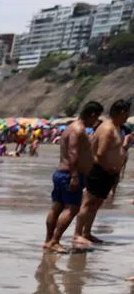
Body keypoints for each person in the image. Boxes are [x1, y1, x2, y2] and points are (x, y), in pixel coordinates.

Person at [44, 101, 103, 253]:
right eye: (96, 118)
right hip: (69, 175)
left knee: (57, 206)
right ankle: (54, 241)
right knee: (72, 209)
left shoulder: (71, 127)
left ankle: (48, 240)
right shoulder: (78, 129)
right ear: (92, 115)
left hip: (61, 173)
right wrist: (75, 176)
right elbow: (73, 153)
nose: (95, 122)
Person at [72, 99, 130, 247]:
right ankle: (77, 234)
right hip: (99, 170)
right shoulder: (108, 128)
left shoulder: (117, 127)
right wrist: (108, 168)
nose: (127, 117)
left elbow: (115, 150)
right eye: (127, 113)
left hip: (108, 172)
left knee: (96, 204)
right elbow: (100, 153)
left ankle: (87, 233)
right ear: (121, 112)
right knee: (88, 202)